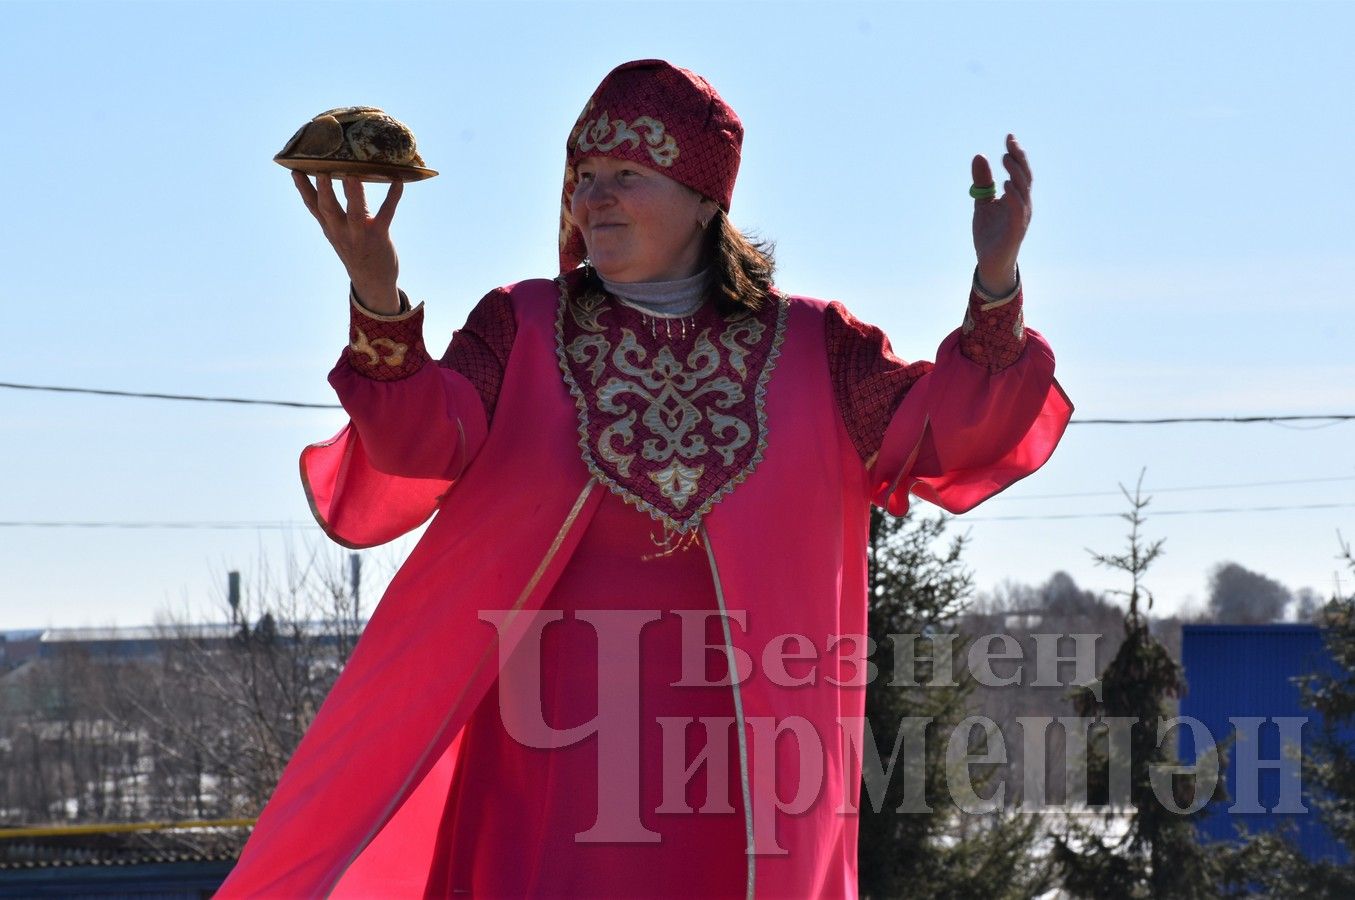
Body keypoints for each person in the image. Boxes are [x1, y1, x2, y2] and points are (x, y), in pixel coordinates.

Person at [218, 59, 1071, 898]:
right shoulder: (521, 326)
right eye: (583, 176)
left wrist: (995, 278)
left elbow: (954, 431)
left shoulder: (817, 347)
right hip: (548, 757)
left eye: (625, 174)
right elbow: (416, 443)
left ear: (706, 197)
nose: (592, 199)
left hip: (745, 768)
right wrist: (378, 291)